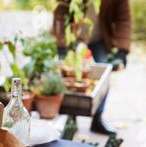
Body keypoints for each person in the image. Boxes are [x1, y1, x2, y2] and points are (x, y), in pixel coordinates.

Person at [52, 0, 132, 135]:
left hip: (98, 38)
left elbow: (123, 19)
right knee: (70, 75)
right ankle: (71, 118)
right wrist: (62, 45)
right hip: (73, 36)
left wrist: (122, 50)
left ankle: (97, 118)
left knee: (104, 73)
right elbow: (60, 12)